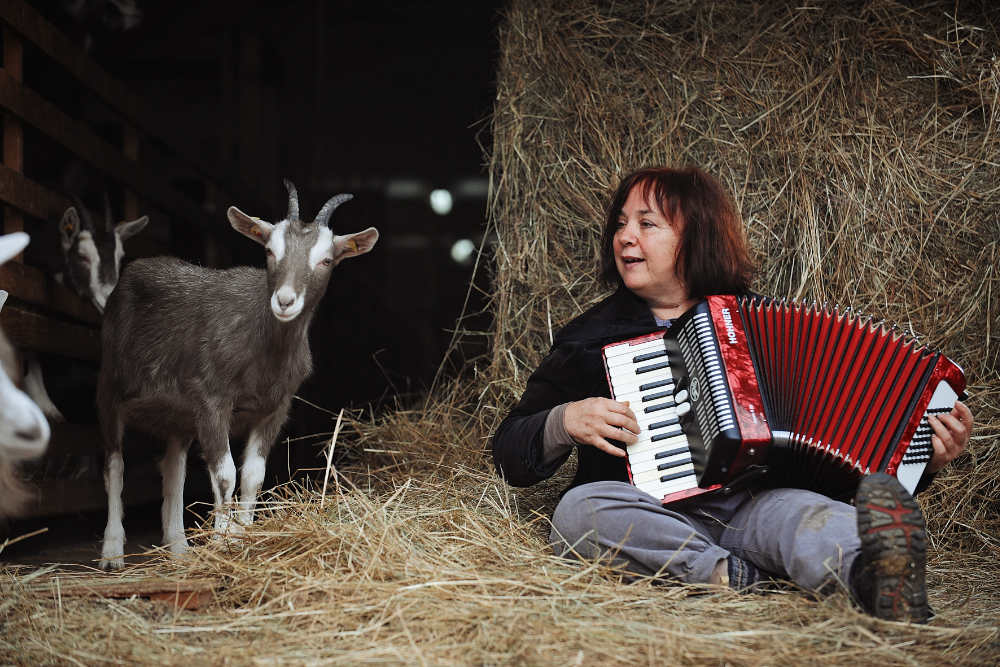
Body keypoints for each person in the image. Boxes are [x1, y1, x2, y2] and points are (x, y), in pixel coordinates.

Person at [491, 166, 973, 622]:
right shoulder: (589, 337)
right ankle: (727, 576)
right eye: (620, 224)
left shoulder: (764, 324)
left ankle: (877, 585)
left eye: (647, 223)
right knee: (579, 513)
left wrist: (922, 458)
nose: (625, 237)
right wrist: (564, 421)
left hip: (758, 506)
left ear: (696, 237)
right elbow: (510, 449)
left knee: (821, 519)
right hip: (651, 515)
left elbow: (846, 460)